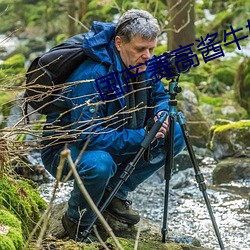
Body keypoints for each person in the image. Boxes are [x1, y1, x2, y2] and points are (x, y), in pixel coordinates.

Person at [41, 9, 185, 241]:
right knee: (100, 164)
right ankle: (76, 221)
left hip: (116, 136)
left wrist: (161, 114)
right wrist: (142, 135)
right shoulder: (92, 75)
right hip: (67, 150)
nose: (148, 56)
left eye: (152, 49)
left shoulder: (142, 64)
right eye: (140, 49)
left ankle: (115, 193)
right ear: (119, 43)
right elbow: (87, 135)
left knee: (175, 132)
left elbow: (159, 96)